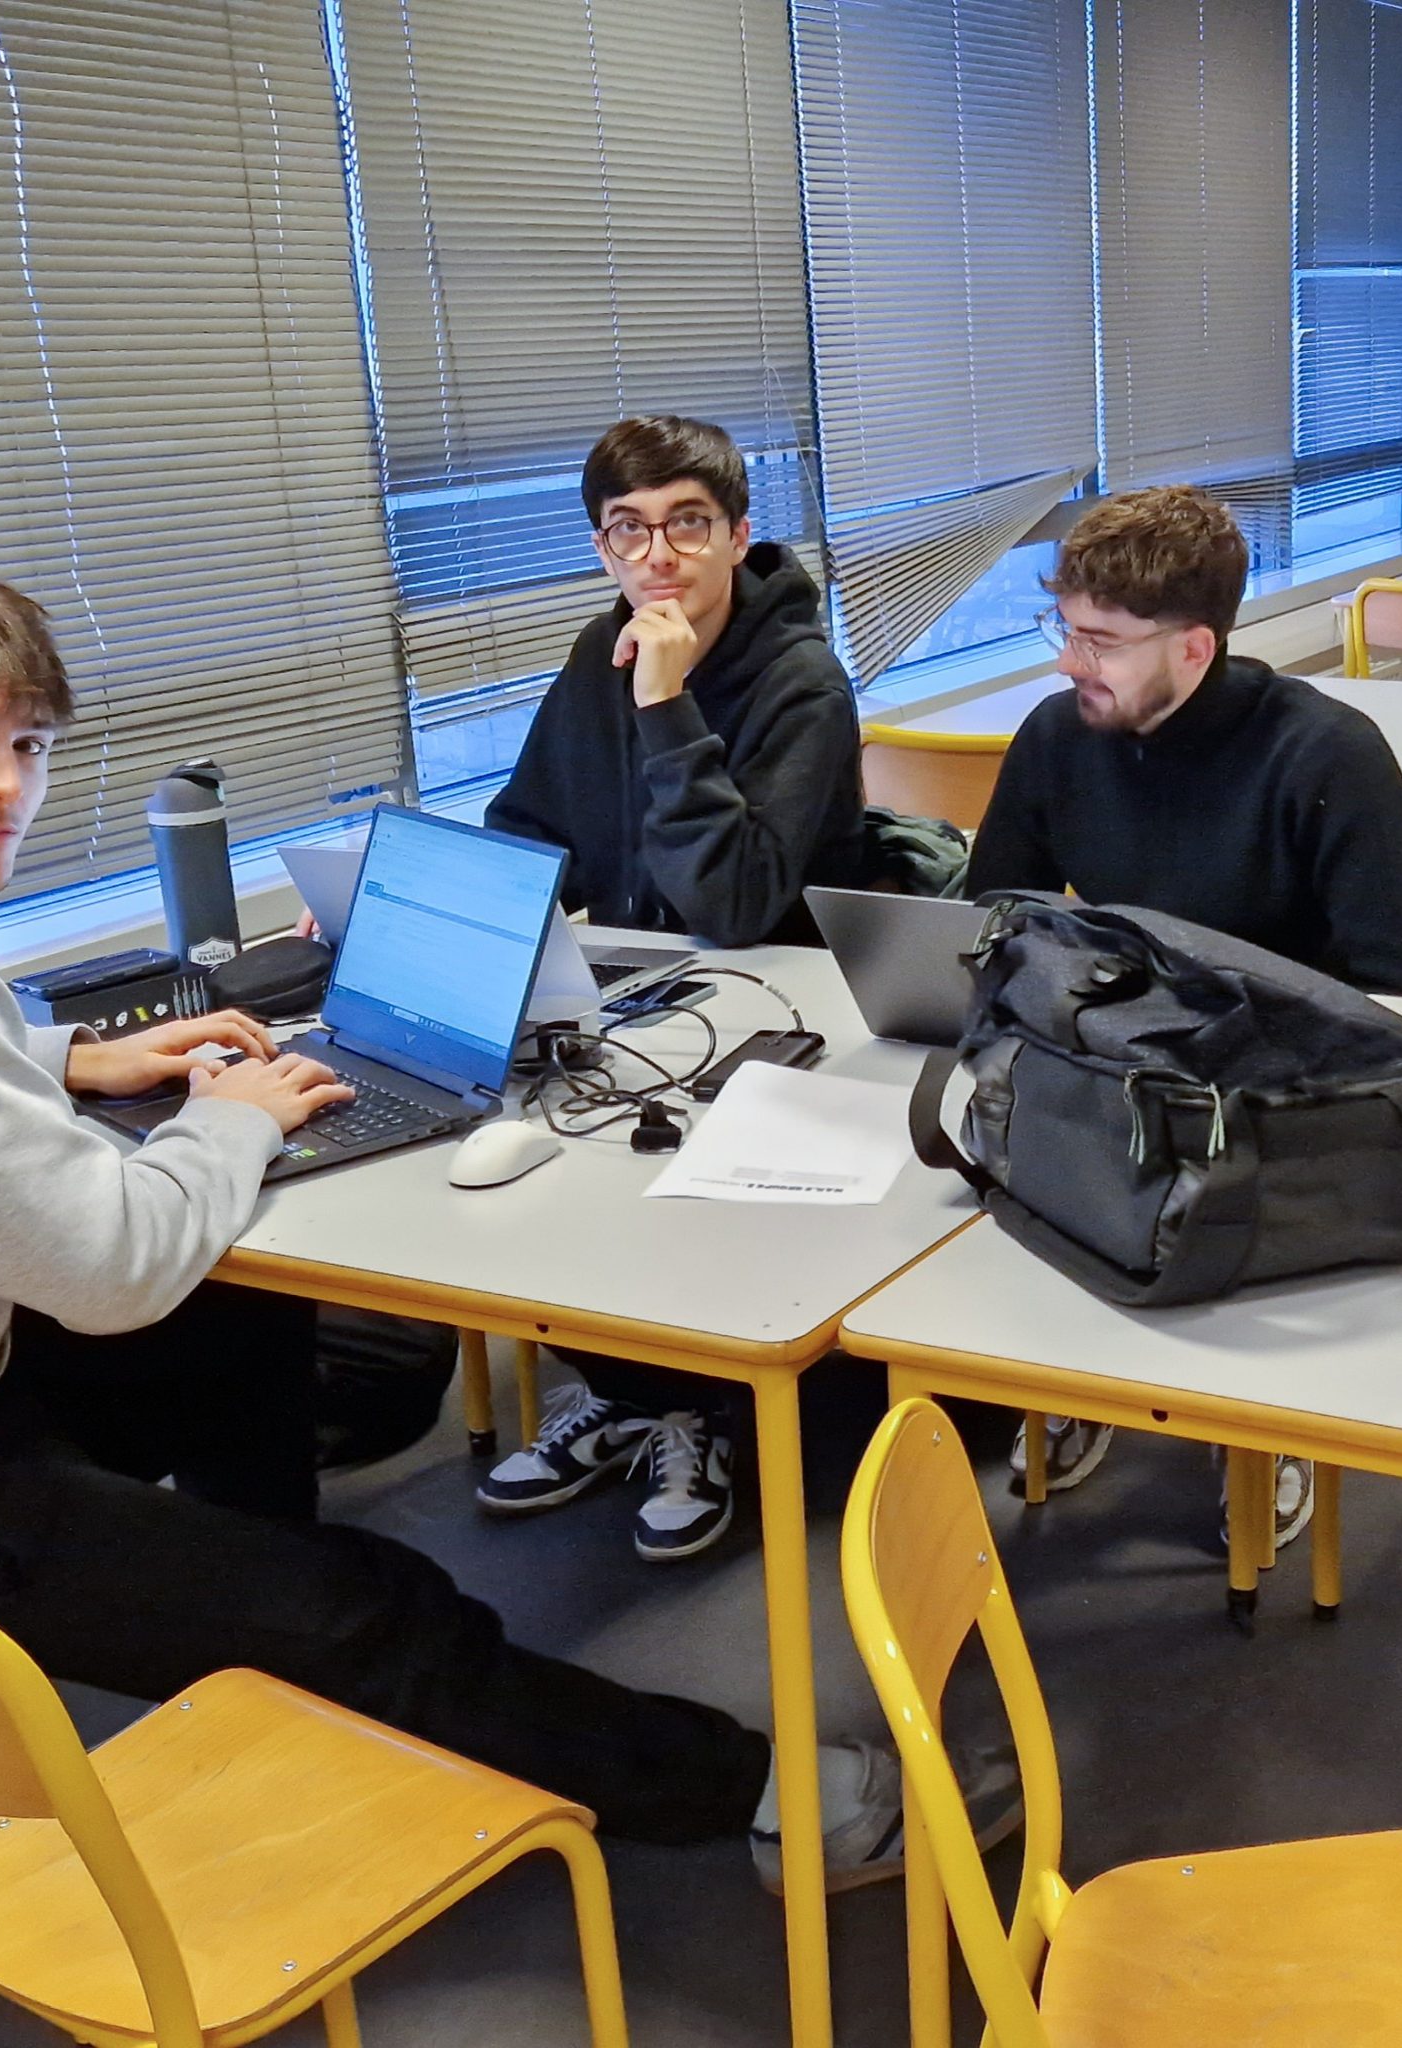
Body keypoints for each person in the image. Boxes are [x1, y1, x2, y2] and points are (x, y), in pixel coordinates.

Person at [0, 561, 1008, 1892]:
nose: (6, 786)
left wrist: (64, 1055)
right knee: (377, 1602)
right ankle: (767, 1797)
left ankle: (255, 1623)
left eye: (28, 744)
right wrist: (233, 1117)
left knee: (231, 1317)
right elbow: (110, 1266)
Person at [965, 484, 1402, 1544]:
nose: (1068, 661)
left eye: (1099, 640)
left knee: (1161, 1198)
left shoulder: (1325, 755)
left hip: (1283, 1096)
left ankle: (1258, 1420)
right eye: (1065, 628)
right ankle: (1090, 1378)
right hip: (1121, 1066)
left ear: (1193, 649)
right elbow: (993, 911)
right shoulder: (1061, 735)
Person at [473, 416, 864, 1559]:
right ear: (602, 549)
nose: (659, 556)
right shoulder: (598, 656)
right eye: (627, 531)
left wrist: (666, 704)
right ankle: (637, 1390)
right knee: (528, 1144)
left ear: (739, 535)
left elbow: (733, 903)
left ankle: (695, 1407)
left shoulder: (802, 682)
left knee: (641, 1172)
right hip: (653, 999)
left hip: (795, 1022)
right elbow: (528, 826)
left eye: (688, 524)